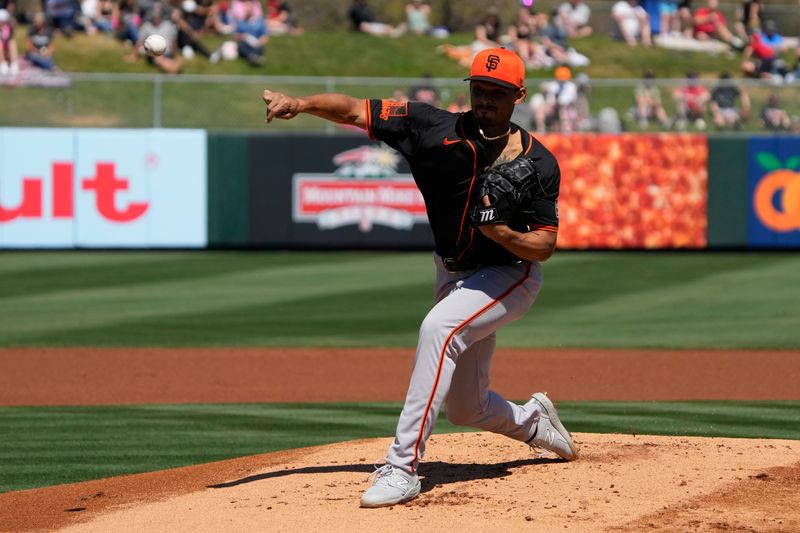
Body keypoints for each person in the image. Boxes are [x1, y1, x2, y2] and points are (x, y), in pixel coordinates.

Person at [261, 47, 578, 508]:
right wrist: (300, 102)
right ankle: (533, 422)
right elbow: (353, 110)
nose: (486, 99)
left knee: (438, 328)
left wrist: (500, 230)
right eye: (479, 89)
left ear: (519, 96)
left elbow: (544, 247)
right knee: (467, 406)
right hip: (452, 272)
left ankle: (403, 466)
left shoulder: (539, 161)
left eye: (498, 92)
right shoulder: (429, 126)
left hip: (510, 274)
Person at [127, 4, 183, 74]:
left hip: (167, 53)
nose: (156, 17)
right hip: (153, 53)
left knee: (162, 59)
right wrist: (134, 54)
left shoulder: (168, 25)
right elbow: (140, 42)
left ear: (161, 15)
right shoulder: (147, 26)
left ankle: (173, 69)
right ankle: (172, 70)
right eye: (154, 14)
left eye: (158, 15)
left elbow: (173, 42)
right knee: (158, 59)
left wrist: (175, 55)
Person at [234, 0, 267, 66]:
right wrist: (242, 36)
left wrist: (260, 43)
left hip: (256, 44)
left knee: (259, 48)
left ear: (253, 8)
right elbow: (235, 37)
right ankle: (253, 57)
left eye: (249, 7)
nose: (248, 9)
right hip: (245, 44)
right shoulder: (240, 22)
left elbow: (264, 36)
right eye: (246, 7)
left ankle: (253, 57)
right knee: (242, 46)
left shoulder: (259, 22)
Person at [0, 8, 19, 76]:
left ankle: (13, 64)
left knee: (12, 42)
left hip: (6, 51)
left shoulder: (7, 28)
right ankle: (2, 64)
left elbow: (14, 23)